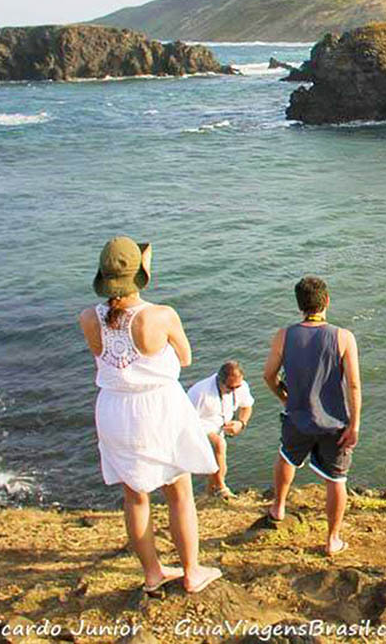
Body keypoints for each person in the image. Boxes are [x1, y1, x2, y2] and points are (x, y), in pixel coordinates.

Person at [78, 237, 222, 594]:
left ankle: (153, 573)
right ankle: (191, 572)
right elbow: (185, 357)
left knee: (135, 496)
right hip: (157, 410)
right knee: (179, 493)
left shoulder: (88, 317)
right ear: (141, 273)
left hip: (113, 409)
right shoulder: (160, 315)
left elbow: (107, 349)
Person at [262, 275, 361, 557]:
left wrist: (284, 396)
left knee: (286, 457)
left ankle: (278, 508)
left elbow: (268, 375)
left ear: (299, 305)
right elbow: (353, 384)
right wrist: (355, 424)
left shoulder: (284, 335)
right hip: (334, 422)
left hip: (297, 417)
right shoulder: (343, 337)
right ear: (326, 301)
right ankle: (332, 540)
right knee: (336, 479)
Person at [187, 360, 255, 499]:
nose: (234, 390)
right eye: (230, 387)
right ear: (220, 380)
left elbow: (246, 406)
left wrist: (241, 423)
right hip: (198, 424)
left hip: (220, 425)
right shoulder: (200, 392)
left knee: (218, 459)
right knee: (219, 445)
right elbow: (185, 419)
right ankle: (221, 487)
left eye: (237, 386)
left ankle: (210, 494)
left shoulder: (240, 387)